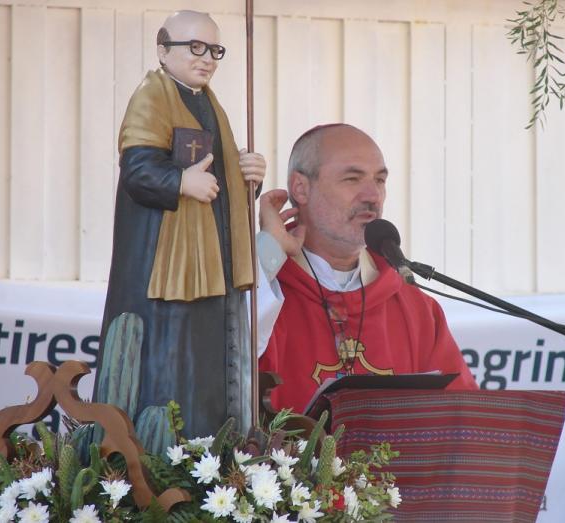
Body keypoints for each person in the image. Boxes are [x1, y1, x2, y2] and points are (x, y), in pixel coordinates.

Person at [95, 10, 265, 438]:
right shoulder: (153, 95)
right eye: (194, 47)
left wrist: (245, 177)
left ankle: (216, 458)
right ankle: (169, 456)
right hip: (164, 271)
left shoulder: (210, 104)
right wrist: (179, 181)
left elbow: (216, 187)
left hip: (213, 267)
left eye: (214, 50)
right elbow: (137, 171)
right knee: (171, 368)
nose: (205, 58)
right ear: (162, 50)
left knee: (209, 366)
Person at [256, 124, 477, 413]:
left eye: (380, 180)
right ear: (301, 188)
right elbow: (226, 374)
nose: (373, 195)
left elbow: (461, 418)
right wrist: (267, 251)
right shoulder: (261, 291)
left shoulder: (415, 309)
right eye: (352, 178)